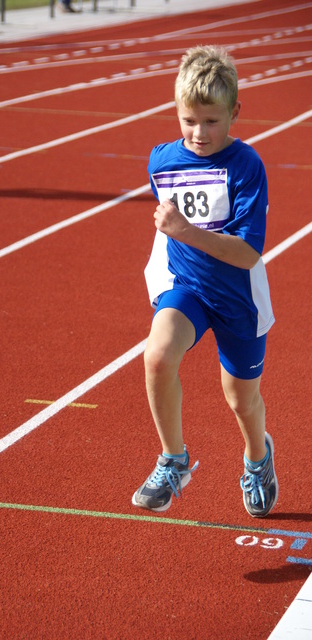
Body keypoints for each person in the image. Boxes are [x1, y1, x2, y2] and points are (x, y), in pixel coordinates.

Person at [132, 45, 278, 518]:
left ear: (235, 112)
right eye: (189, 120)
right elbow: (170, 220)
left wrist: (186, 232)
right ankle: (173, 460)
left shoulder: (247, 166)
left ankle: (258, 458)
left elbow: (248, 253)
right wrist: (174, 247)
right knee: (157, 355)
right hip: (188, 288)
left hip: (238, 297)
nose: (199, 133)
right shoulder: (161, 161)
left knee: (241, 398)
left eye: (212, 121)